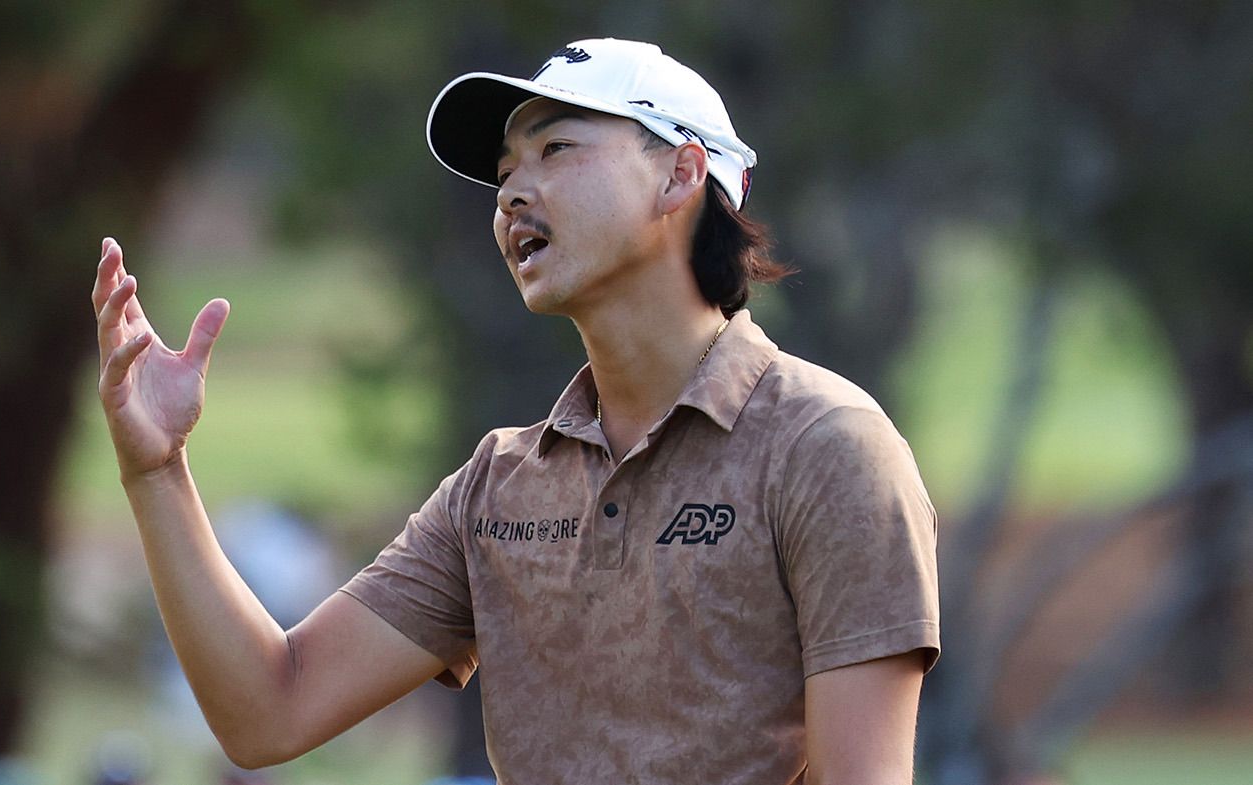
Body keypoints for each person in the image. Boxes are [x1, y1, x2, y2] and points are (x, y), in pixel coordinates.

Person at [93, 37, 939, 785]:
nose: (511, 195)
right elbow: (268, 712)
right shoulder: (497, 486)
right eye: (505, 174)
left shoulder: (828, 447)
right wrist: (157, 470)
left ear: (682, 173)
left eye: (557, 149)